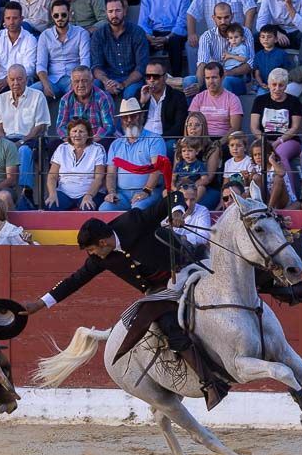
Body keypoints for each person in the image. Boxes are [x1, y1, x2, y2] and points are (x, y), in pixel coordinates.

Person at [18, 194, 234, 409]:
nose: (92, 255)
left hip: (184, 267)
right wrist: (40, 304)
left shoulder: (132, 222)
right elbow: (75, 280)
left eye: (92, 249)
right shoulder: (98, 258)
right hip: (158, 291)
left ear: (102, 242)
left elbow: (172, 196)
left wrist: (176, 211)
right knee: (168, 326)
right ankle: (210, 383)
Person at [0, 64, 50, 207]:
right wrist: (5, 141)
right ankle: (4, 191)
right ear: (7, 80)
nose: (15, 83)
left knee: (24, 150)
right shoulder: (1, 99)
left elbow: (40, 126)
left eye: (19, 79)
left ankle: (27, 191)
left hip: (31, 139)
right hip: (7, 139)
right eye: (12, 79)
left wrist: (20, 142)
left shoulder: (37, 96)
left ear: (26, 79)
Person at [104, 98, 168, 210]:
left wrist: (146, 191)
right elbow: (111, 174)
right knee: (105, 209)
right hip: (121, 194)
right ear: (121, 120)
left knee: (137, 210)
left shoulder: (155, 139)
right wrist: (111, 192)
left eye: (133, 116)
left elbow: (156, 170)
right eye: (125, 117)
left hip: (149, 191)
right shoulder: (116, 144)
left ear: (141, 117)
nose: (129, 120)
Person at [250, 68, 302, 197]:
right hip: (264, 139)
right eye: (274, 85)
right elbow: (254, 127)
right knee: (254, 151)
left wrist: (278, 141)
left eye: (281, 85)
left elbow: (295, 128)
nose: (277, 88)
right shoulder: (260, 100)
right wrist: (265, 141)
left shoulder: (294, 101)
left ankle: (291, 197)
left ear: (286, 86)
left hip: (288, 140)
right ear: (269, 85)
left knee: (280, 154)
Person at [138, 0, 189, 79]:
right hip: (154, 33)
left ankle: (176, 80)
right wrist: (150, 38)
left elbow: (182, 21)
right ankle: (142, 79)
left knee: (175, 41)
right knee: (140, 42)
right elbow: (143, 22)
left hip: (174, 33)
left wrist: (167, 38)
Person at [91, 0, 149, 100]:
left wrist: (123, 84)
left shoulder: (137, 32)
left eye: (118, 10)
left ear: (124, 11)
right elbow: (96, 67)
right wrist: (106, 82)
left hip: (131, 78)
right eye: (110, 11)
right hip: (109, 78)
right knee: (94, 87)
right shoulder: (99, 35)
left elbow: (141, 67)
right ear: (106, 13)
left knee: (129, 95)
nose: (114, 15)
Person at [0, 1, 37, 100]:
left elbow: (29, 68)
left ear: (21, 19)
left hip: (19, 81)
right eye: (8, 18)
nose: (11, 22)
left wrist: (7, 80)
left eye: (15, 18)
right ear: (4, 20)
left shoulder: (30, 39)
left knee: (13, 90)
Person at [34, 0, 89, 98]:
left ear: (69, 13)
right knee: (31, 92)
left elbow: (85, 62)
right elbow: (41, 65)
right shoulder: (45, 35)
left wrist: (77, 82)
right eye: (56, 15)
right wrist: (46, 85)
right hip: (52, 80)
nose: (60, 18)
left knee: (85, 89)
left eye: (63, 15)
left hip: (74, 79)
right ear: (52, 16)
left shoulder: (81, 33)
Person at [47, 116, 106, 210]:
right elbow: (52, 176)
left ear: (88, 134)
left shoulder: (97, 149)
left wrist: (89, 195)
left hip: (88, 192)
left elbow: (99, 178)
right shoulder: (62, 148)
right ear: (69, 134)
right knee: (51, 206)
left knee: (88, 206)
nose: (77, 134)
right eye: (74, 131)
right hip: (64, 192)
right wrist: (52, 194)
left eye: (81, 131)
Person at [196, 1, 253, 93]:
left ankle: (222, 107)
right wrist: (198, 84)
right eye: (219, 18)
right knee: (189, 82)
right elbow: (202, 63)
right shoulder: (207, 36)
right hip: (213, 79)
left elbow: (251, 63)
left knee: (225, 81)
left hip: (236, 79)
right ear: (213, 18)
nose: (223, 21)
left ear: (232, 16)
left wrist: (229, 73)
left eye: (226, 17)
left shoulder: (244, 32)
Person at [53, 65, 117, 143]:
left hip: (97, 140)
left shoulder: (103, 98)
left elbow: (109, 127)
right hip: (74, 140)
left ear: (92, 81)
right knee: (54, 144)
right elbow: (61, 127)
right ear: (71, 83)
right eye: (76, 81)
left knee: (107, 142)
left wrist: (89, 141)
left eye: (84, 81)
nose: (81, 85)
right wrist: (73, 141)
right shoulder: (65, 99)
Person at [188, 63, 243, 138]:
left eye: (214, 77)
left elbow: (235, 128)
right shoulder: (198, 98)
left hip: (224, 140)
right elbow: (191, 124)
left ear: (222, 77)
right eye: (207, 78)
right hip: (202, 140)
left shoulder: (233, 99)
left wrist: (219, 143)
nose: (211, 81)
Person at [138, 57, 187, 139]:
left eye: (156, 77)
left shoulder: (177, 96)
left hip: (166, 139)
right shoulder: (139, 94)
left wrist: (159, 139)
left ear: (165, 77)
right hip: (142, 139)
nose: (151, 80)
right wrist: (142, 103)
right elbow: (131, 123)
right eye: (148, 76)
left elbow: (179, 127)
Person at [173, 133, 220, 210]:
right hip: (180, 187)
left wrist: (195, 185)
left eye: (190, 150)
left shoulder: (199, 164)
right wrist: (174, 187)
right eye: (184, 151)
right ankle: (175, 206)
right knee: (165, 191)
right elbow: (173, 177)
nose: (186, 153)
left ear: (197, 151)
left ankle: (192, 205)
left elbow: (205, 179)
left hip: (193, 187)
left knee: (202, 188)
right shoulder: (179, 164)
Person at [168, 180, 212, 248]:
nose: (188, 204)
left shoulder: (202, 211)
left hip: (190, 252)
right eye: (185, 199)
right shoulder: (168, 208)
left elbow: (205, 236)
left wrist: (181, 238)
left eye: (192, 200)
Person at [253, 25, 294, 92]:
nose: (265, 39)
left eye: (269, 37)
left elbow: (287, 72)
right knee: (261, 96)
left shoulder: (282, 54)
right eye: (263, 37)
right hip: (264, 86)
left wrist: (280, 85)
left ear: (276, 39)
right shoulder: (258, 55)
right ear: (260, 39)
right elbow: (257, 74)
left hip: (279, 87)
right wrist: (261, 84)